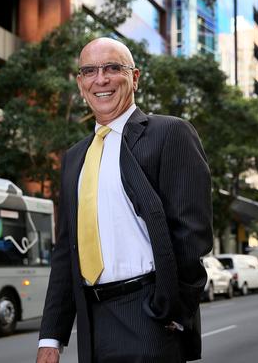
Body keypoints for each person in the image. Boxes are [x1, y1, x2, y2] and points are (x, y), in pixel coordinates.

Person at [36, 37, 213, 363]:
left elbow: (192, 234)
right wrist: (51, 336)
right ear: (80, 83)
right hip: (91, 323)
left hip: (149, 318)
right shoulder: (74, 158)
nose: (100, 79)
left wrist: (174, 311)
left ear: (134, 77)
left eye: (112, 68)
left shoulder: (170, 133)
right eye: (89, 71)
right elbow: (66, 252)